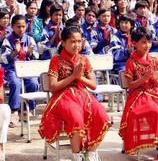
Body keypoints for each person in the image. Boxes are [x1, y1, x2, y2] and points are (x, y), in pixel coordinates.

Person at [38, 27, 110, 161]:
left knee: (103, 116)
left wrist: (80, 77)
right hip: (62, 97)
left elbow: (93, 85)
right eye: (72, 41)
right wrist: (73, 76)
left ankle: (90, 152)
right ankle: (77, 155)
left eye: (79, 41)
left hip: (83, 95)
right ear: (63, 43)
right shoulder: (56, 60)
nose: (77, 45)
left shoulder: (84, 60)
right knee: (76, 119)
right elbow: (53, 87)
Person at [119, 27, 158, 160]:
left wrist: (153, 78)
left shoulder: (154, 60)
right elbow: (130, 86)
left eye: (149, 42)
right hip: (137, 96)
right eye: (143, 42)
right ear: (134, 43)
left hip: (153, 94)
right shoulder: (131, 62)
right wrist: (144, 79)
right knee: (156, 112)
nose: (147, 45)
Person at [0, 15, 39, 126]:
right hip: (13, 69)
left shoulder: (29, 39)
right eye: (18, 27)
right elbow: (4, 59)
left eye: (23, 26)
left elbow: (35, 55)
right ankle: (14, 110)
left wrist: (31, 53)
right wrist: (14, 53)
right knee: (15, 83)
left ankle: (29, 109)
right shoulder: (8, 40)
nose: (21, 29)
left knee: (34, 82)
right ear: (12, 27)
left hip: (26, 68)